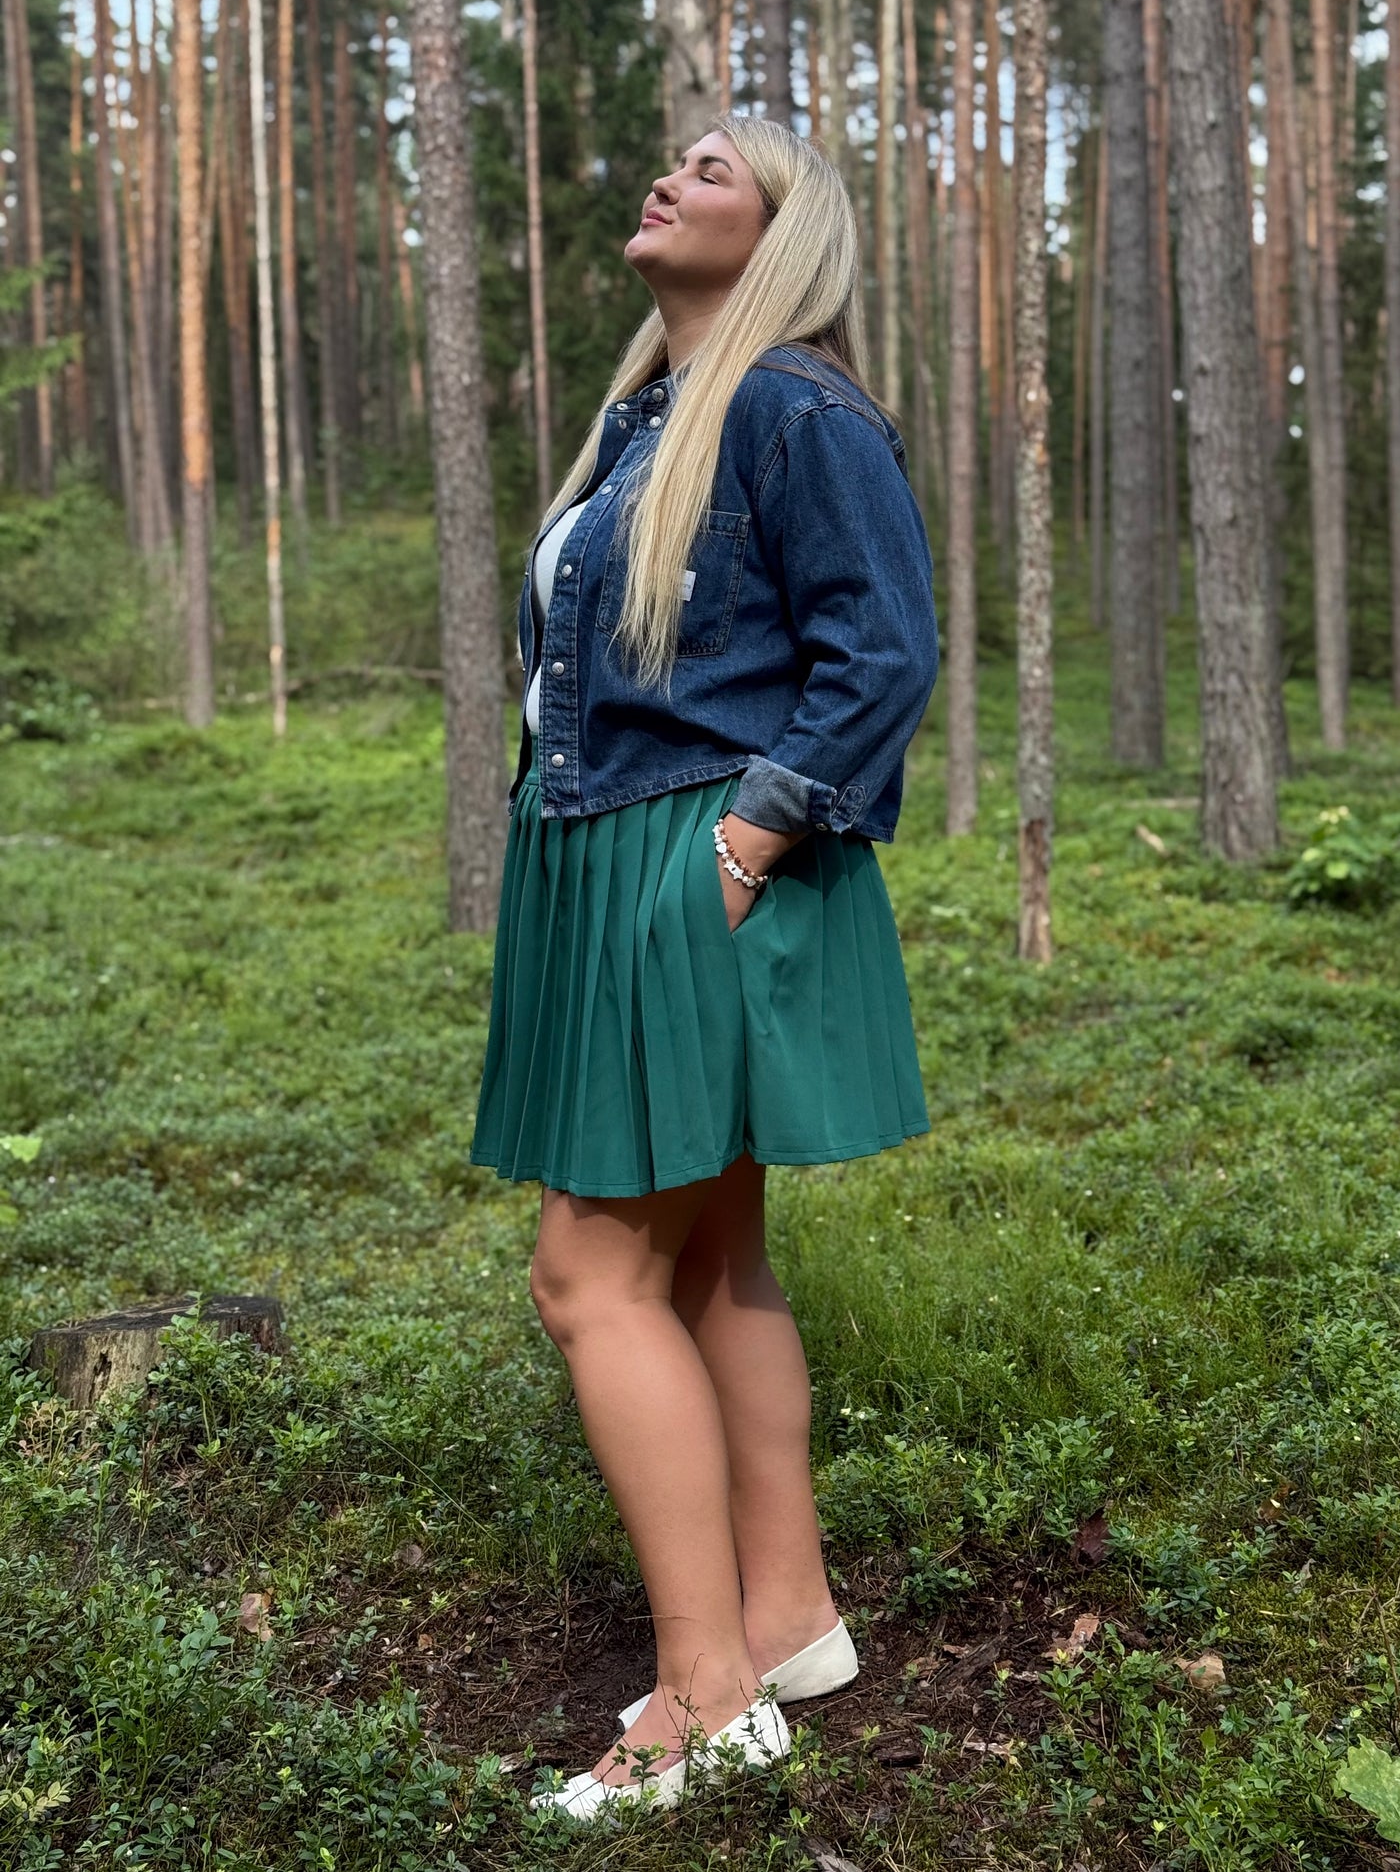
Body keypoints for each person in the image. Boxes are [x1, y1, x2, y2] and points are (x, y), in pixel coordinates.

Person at [469, 111, 939, 1823]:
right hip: (615, 859)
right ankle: (788, 1618)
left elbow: (882, 647)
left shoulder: (792, 405)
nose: (668, 177)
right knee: (709, 1248)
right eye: (668, 158)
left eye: (713, 169)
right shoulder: (649, 418)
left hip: (697, 862)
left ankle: (703, 1697)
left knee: (588, 1277)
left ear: (782, 231)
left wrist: (744, 847)